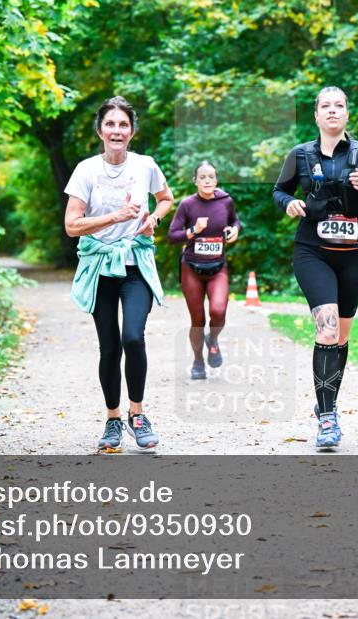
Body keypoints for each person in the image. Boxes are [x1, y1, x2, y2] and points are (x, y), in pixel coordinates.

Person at [272, 87, 358, 449]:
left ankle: (329, 404)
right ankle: (327, 419)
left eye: (339, 106)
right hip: (313, 252)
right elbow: (279, 191)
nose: (333, 111)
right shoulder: (300, 155)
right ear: (316, 115)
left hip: (354, 254)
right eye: (326, 106)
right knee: (326, 330)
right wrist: (289, 203)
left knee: (340, 337)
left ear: (347, 114)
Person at [64, 96, 175, 451]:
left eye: (123, 125)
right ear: (100, 130)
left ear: (132, 131)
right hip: (99, 266)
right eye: (110, 124)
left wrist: (153, 219)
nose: (116, 130)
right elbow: (71, 225)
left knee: (133, 337)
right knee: (109, 347)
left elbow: (166, 198)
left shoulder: (145, 166)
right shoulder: (86, 170)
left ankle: (138, 415)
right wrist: (115, 217)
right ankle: (113, 419)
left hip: (134, 264)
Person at [167, 161, 241, 380]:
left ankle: (214, 339)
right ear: (195, 181)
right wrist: (193, 230)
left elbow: (235, 221)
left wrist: (234, 229)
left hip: (218, 267)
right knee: (197, 320)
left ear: (216, 180)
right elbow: (172, 236)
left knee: (218, 311)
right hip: (191, 268)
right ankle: (198, 362)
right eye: (203, 177)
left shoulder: (225, 201)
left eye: (211, 177)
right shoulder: (187, 205)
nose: (207, 181)